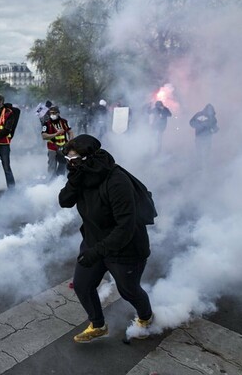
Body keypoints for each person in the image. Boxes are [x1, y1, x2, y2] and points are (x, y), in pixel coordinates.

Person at [58, 134, 154, 343]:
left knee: (128, 291)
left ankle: (146, 317)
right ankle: (98, 325)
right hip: (95, 240)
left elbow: (125, 227)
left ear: (89, 158)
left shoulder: (117, 181)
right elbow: (64, 201)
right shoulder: (81, 174)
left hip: (126, 248)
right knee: (82, 286)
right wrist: (74, 181)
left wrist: (96, 252)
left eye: (73, 160)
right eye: (68, 160)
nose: (70, 164)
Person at [41, 106, 75, 178]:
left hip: (64, 146)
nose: (52, 115)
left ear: (58, 113)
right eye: (50, 113)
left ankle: (60, 178)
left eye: (54, 113)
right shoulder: (47, 123)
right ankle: (50, 181)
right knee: (52, 165)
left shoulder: (64, 122)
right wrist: (56, 134)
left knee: (64, 163)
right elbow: (44, 136)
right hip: (52, 147)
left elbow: (70, 132)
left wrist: (70, 141)